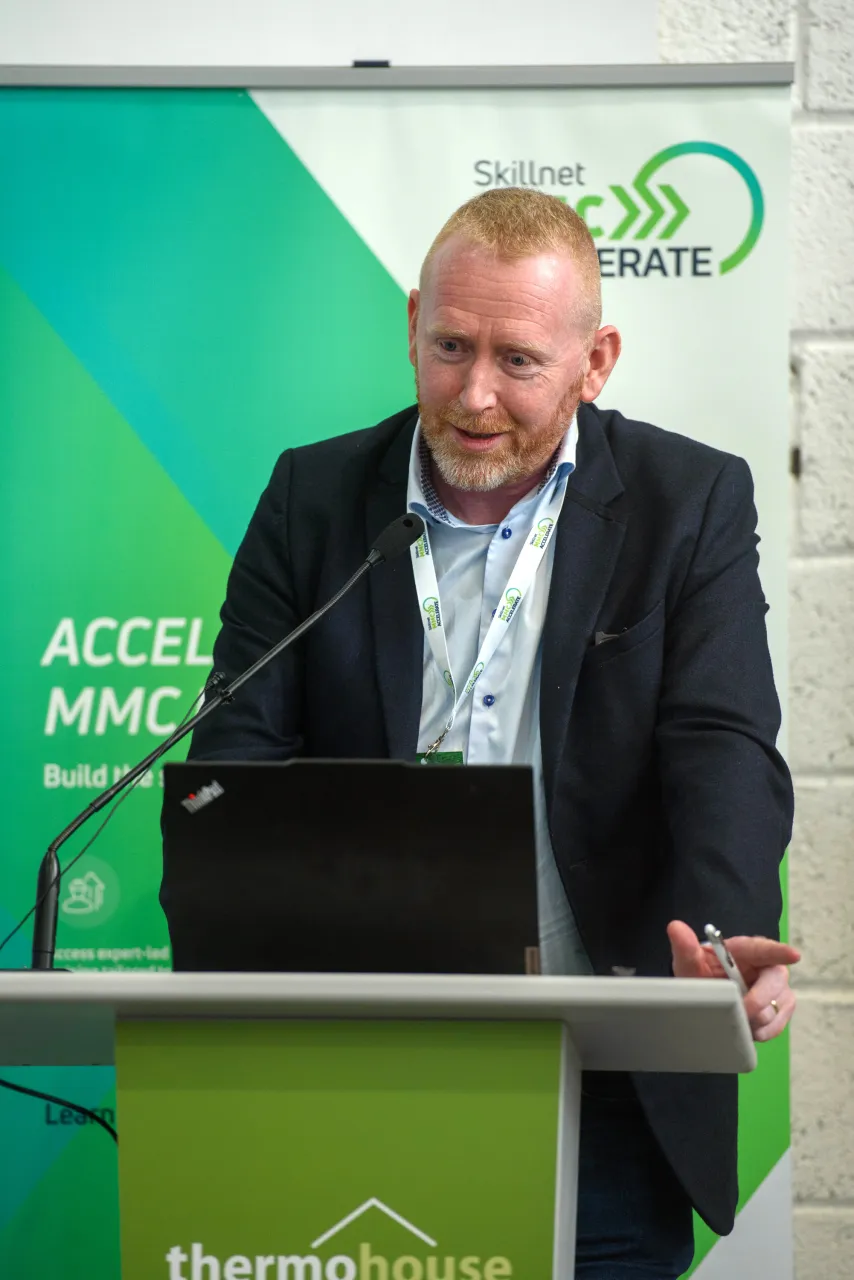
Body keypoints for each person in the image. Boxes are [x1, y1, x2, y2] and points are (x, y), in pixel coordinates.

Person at [184, 188, 798, 1278]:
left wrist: (713, 936)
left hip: (598, 1072)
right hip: (349, 1062)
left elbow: (719, 744)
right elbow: (238, 759)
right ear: (413, 321)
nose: (471, 394)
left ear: (593, 358)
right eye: (447, 345)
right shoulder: (313, 497)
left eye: (516, 360)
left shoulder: (683, 499)